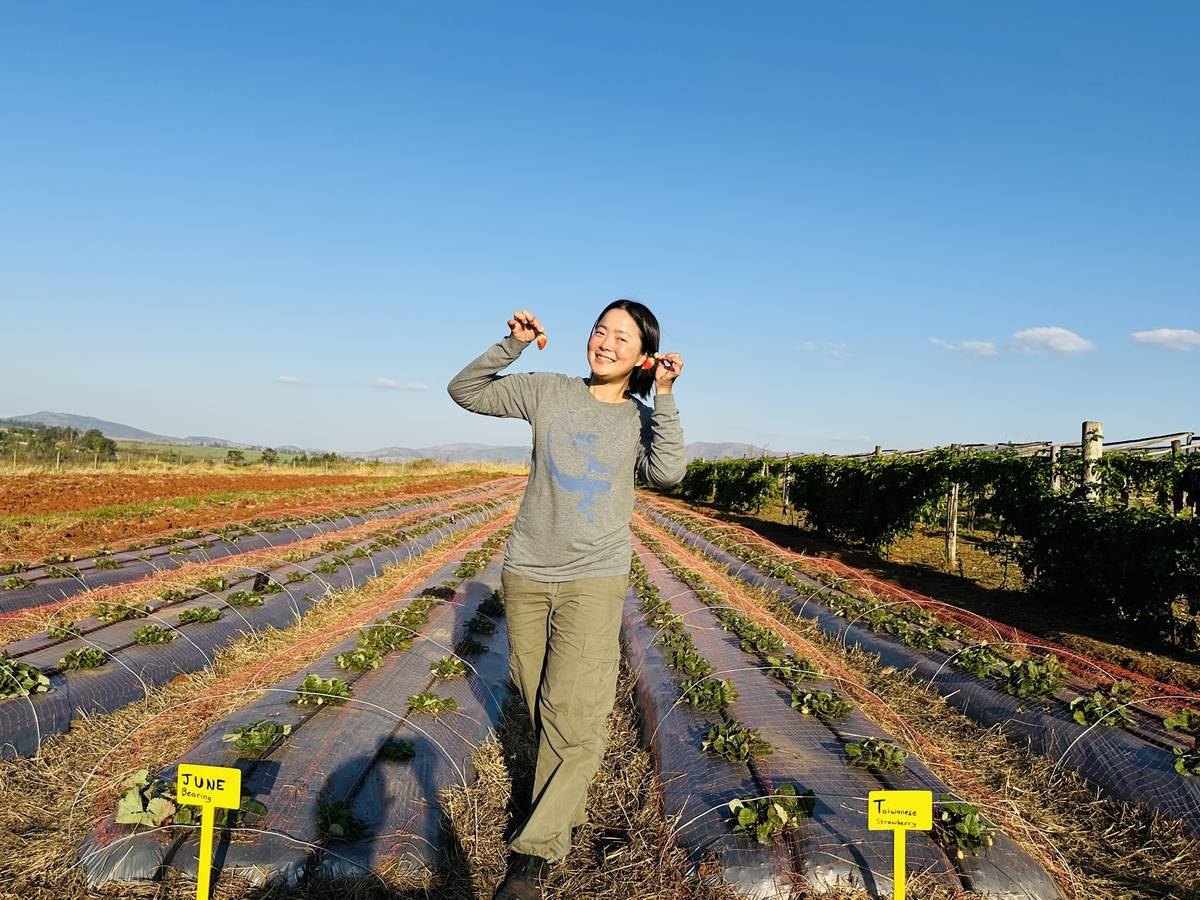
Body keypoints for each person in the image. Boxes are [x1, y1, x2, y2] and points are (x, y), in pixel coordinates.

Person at [447, 299, 686, 900]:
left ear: (644, 356)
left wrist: (665, 396)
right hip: (528, 569)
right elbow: (465, 390)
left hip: (593, 578)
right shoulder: (547, 391)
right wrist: (514, 343)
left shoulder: (637, 418)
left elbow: (669, 473)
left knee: (573, 713)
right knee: (534, 695)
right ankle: (561, 801)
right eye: (600, 330)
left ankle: (533, 854)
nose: (605, 343)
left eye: (622, 338)